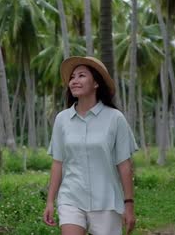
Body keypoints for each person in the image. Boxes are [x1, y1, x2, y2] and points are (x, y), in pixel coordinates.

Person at [42, 56, 138, 235]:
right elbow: (58, 163)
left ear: (96, 83)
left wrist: (129, 204)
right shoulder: (62, 120)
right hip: (71, 197)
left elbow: (124, 166)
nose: (74, 81)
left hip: (106, 201)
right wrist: (50, 201)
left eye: (81, 76)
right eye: (72, 77)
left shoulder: (115, 119)